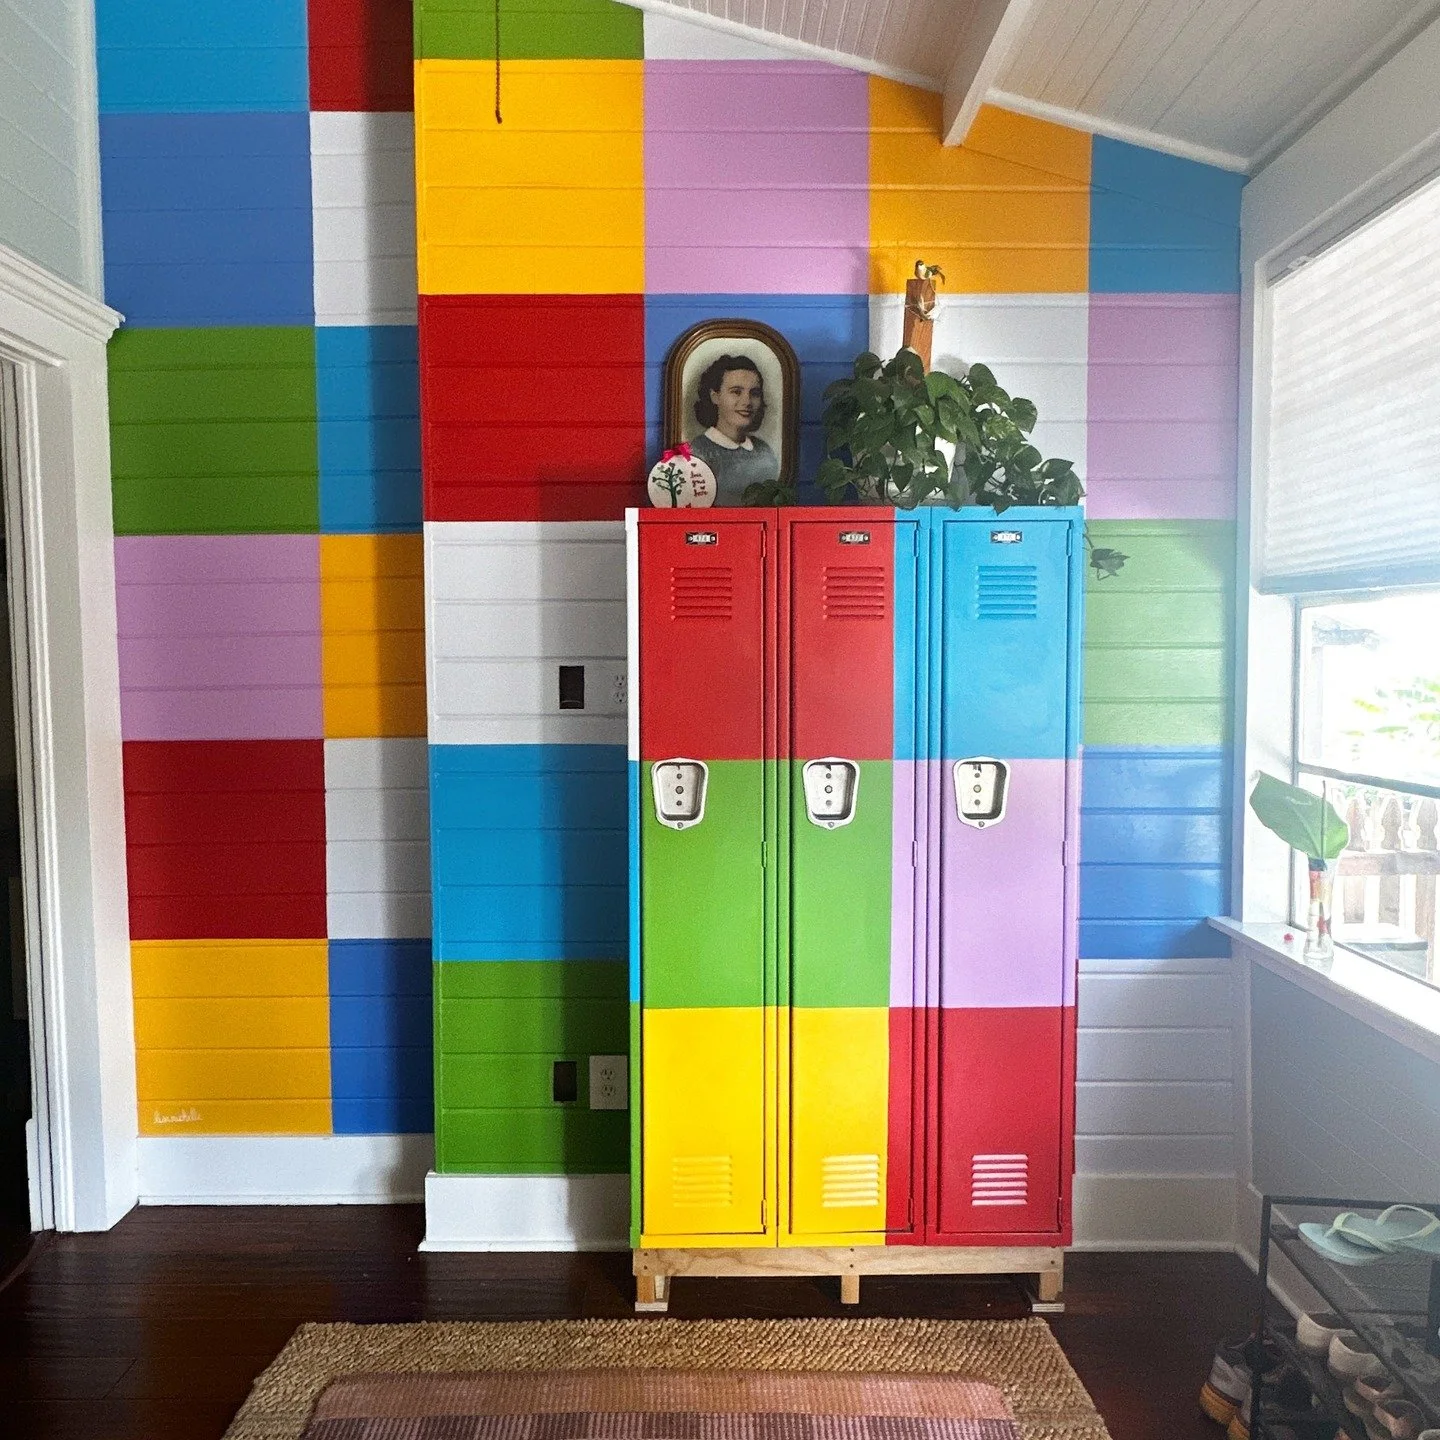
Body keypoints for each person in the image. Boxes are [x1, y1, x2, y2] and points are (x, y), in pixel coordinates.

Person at [687, 354, 779, 504]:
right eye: (736, 392)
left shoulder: (764, 451)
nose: (747, 402)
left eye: (754, 393)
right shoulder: (697, 452)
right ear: (715, 396)